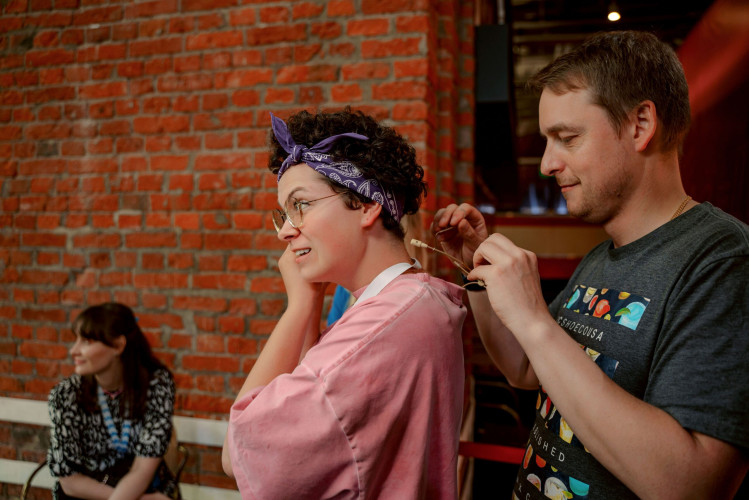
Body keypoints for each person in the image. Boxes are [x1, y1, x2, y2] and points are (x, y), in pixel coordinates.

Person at [433, 31, 749, 499]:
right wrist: (479, 276)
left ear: (640, 125)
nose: (546, 164)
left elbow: (690, 485)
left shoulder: (722, 260)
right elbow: (526, 369)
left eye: (568, 138)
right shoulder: (601, 256)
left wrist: (535, 319)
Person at [222, 108, 467, 498]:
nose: (285, 232)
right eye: (283, 214)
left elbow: (240, 453)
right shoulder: (415, 300)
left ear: (366, 204)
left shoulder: (382, 327)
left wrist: (299, 306)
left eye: (301, 205)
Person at [48, 303, 178, 500]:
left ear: (118, 345)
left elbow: (142, 469)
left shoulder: (157, 384)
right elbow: (69, 482)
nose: (74, 350)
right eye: (76, 340)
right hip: (89, 494)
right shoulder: (66, 395)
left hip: (142, 487)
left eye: (87, 341)